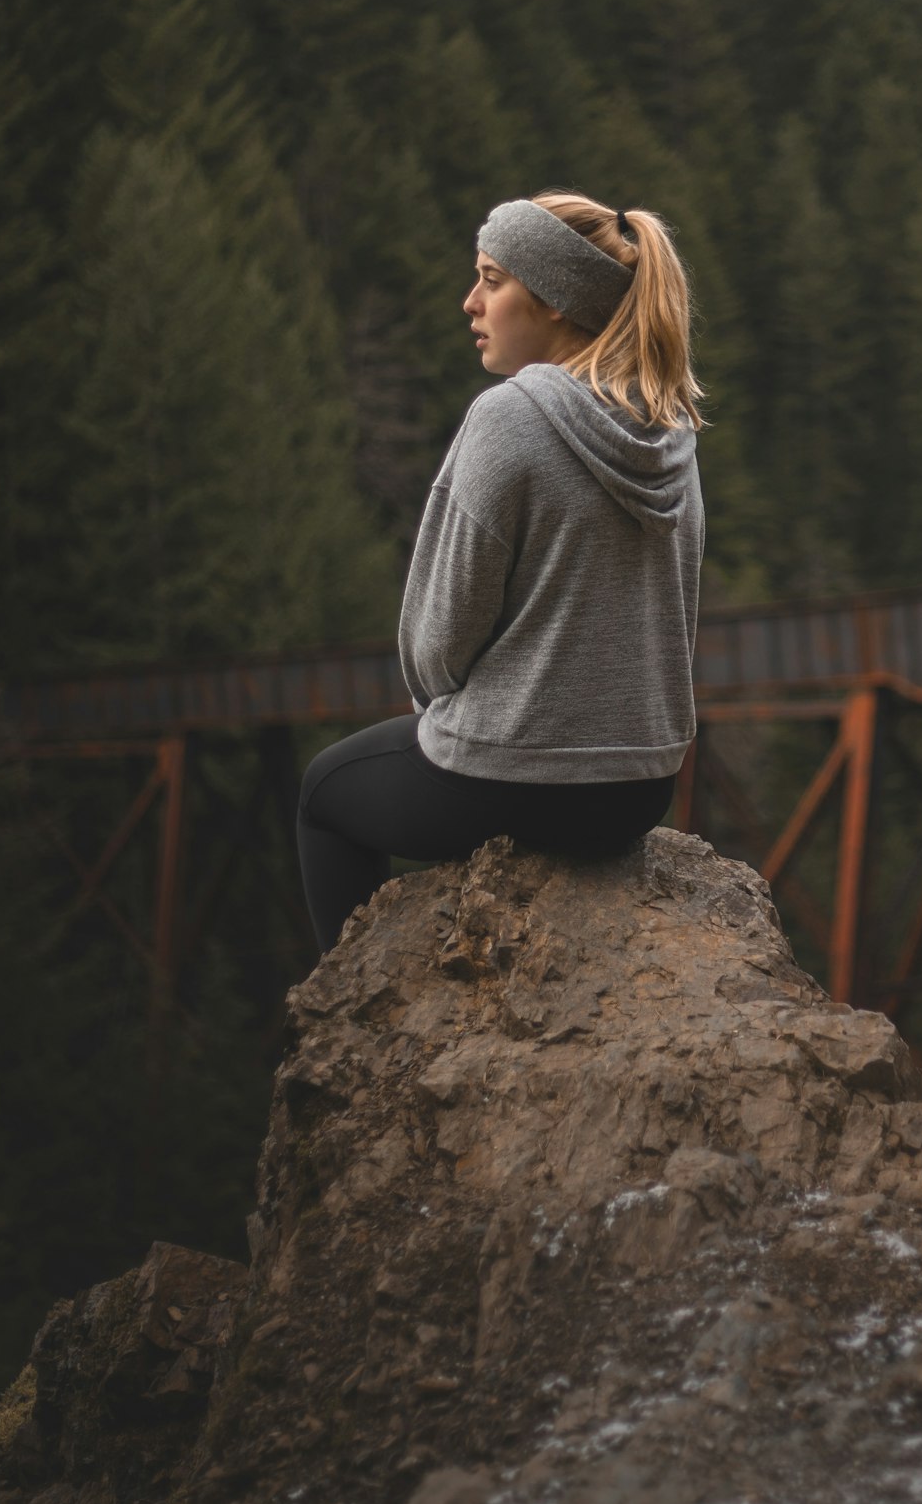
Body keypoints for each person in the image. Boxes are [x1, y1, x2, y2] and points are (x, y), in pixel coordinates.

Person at [296, 190, 704, 953]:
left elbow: (437, 645)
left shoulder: (508, 417)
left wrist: (450, 715)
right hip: (642, 786)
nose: (470, 301)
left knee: (324, 791)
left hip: (518, 780)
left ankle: (353, 1028)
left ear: (552, 298)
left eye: (492, 278)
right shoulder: (668, 425)